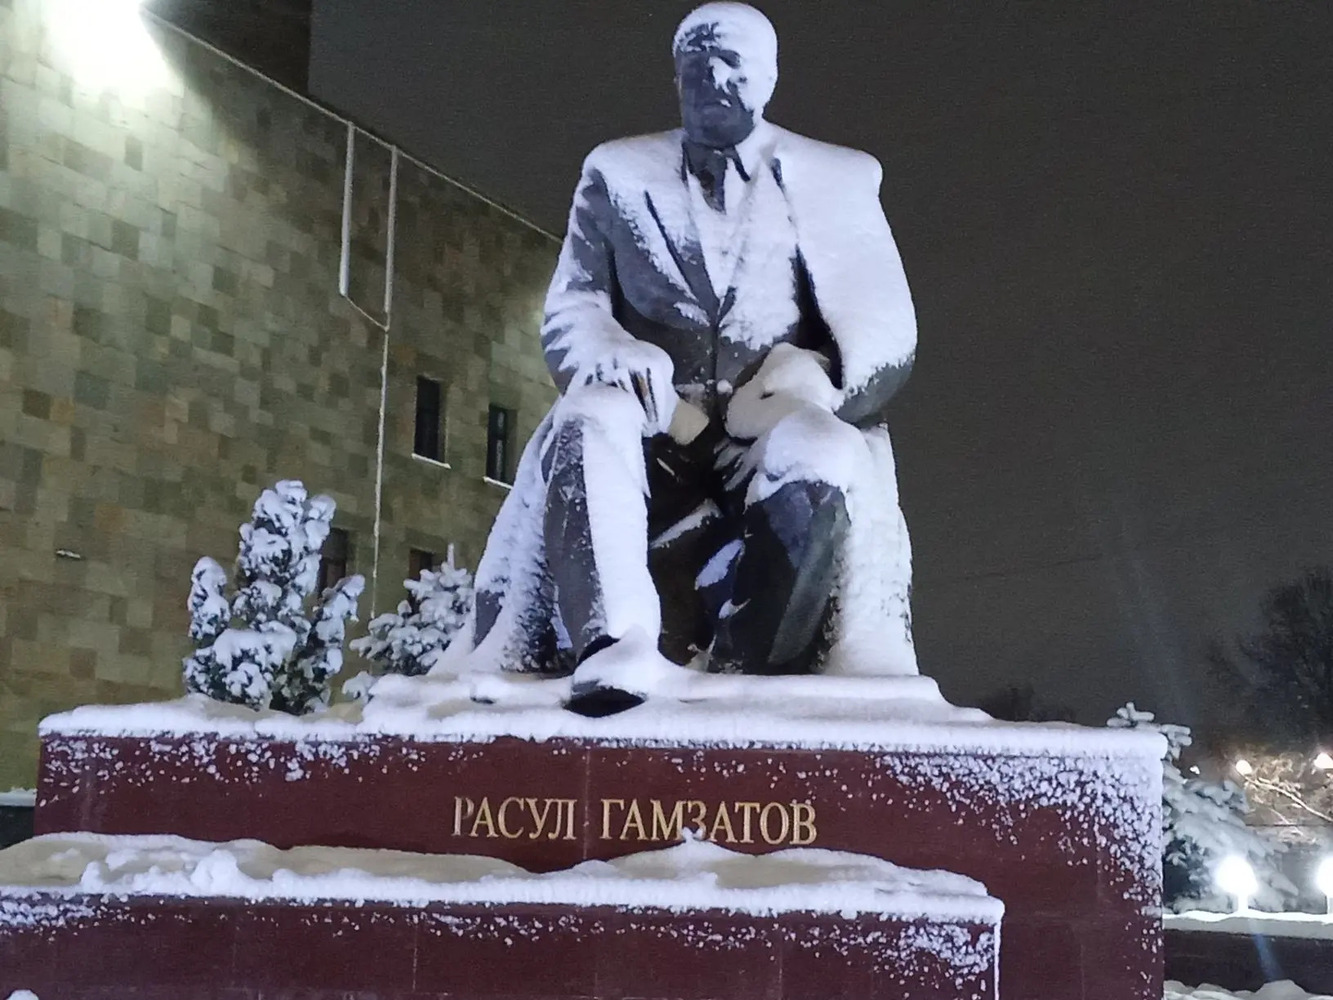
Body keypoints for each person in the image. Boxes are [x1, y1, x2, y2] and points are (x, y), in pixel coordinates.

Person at [461, 2, 919, 715]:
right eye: (695, 65)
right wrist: (612, 351)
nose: (713, 79)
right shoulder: (615, 172)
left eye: (732, 63)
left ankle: (747, 668)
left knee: (825, 452)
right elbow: (573, 308)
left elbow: (887, 328)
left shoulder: (836, 176)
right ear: (675, 79)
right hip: (656, 425)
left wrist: (820, 377)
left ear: (768, 78)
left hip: (761, 428)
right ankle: (613, 646)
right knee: (585, 417)